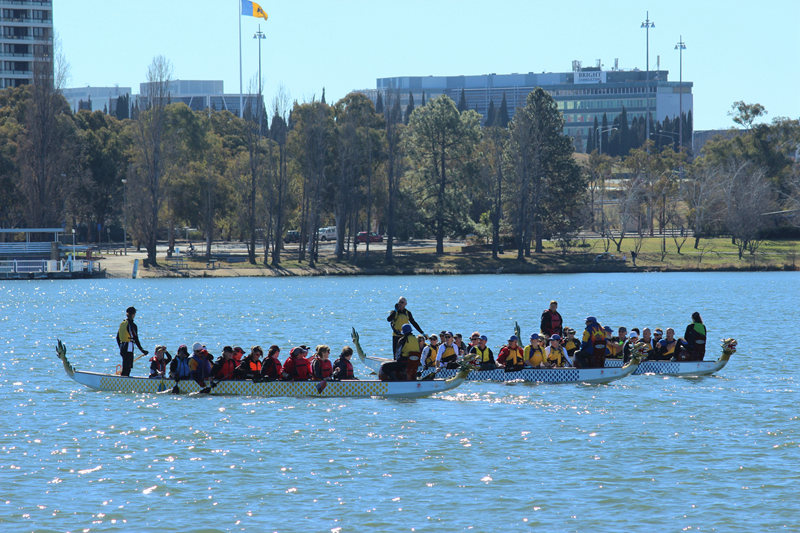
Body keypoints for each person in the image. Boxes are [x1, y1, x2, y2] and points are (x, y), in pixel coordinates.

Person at [116, 306, 148, 376]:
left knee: (125, 364)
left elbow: (117, 338)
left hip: (122, 346)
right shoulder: (132, 325)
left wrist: (121, 347)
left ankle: (124, 377)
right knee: (128, 366)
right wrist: (142, 350)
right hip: (128, 346)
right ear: (133, 314)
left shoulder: (122, 324)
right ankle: (124, 380)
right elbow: (135, 338)